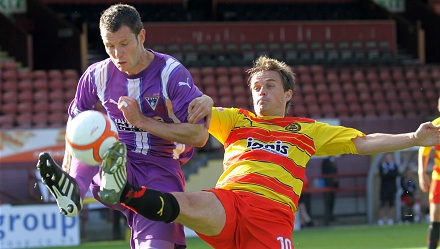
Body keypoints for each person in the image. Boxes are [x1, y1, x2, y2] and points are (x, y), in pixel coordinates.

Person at [97, 56, 440, 248]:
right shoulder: (236, 119)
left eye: (270, 86)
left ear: (288, 93)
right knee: (185, 202)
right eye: (256, 87)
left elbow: (363, 143)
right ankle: (124, 191)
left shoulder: (307, 129)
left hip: (272, 216)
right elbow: (192, 108)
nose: (261, 92)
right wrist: (203, 101)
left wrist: (413, 136)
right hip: (229, 202)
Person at [36, 4, 213, 249]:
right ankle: (77, 189)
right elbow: (74, 126)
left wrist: (140, 121)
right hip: (119, 161)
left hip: (160, 170)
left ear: (141, 36)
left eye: (124, 44)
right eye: (110, 46)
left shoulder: (170, 73)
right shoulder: (96, 75)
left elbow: (199, 136)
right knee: (91, 127)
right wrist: (68, 173)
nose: (117, 54)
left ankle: (116, 186)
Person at [418, 96, 440, 249]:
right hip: (438, 175)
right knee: (436, 213)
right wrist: (421, 172)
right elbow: (424, 149)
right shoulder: (436, 125)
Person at [377, 152, 399, 226]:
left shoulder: (394, 166)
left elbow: (395, 174)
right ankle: (381, 220)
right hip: (384, 188)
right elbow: (382, 176)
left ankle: (390, 219)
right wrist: (389, 174)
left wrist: (388, 173)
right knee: (382, 204)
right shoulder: (382, 166)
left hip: (392, 188)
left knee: (391, 204)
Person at [321, 156, 339, 225]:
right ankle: (327, 219)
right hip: (328, 185)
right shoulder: (325, 161)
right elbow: (324, 172)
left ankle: (331, 216)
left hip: (333, 185)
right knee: (327, 202)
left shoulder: (334, 160)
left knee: (332, 201)